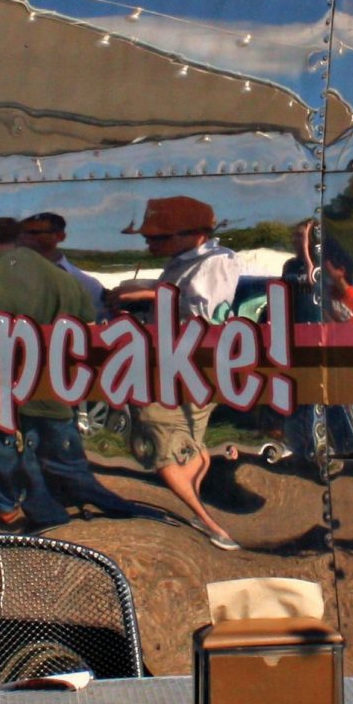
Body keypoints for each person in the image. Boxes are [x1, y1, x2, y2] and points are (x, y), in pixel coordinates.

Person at [0, 220, 165, 528]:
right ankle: (124, 511)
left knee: (18, 469)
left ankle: (40, 516)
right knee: (69, 468)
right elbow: (89, 341)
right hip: (55, 400)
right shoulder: (68, 282)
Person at [116, 195, 244, 550]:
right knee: (180, 442)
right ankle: (204, 515)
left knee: (158, 438)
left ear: (196, 234)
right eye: (149, 237)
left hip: (191, 365)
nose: (150, 243)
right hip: (175, 363)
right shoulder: (184, 261)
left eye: (159, 237)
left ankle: (208, 522)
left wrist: (145, 295)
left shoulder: (217, 261)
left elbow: (201, 315)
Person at [15, 212, 111, 310]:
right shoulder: (9, 272)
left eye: (33, 233)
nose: (22, 238)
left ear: (60, 236)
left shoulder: (86, 284)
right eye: (19, 233)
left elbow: (98, 321)